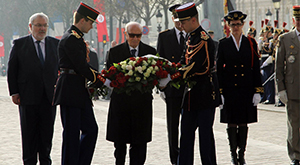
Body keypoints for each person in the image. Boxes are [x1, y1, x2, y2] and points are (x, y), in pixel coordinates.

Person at [52, 2, 109, 165]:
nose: (92, 27)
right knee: (71, 134)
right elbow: (81, 66)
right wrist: (100, 80)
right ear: (82, 20)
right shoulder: (71, 38)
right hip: (70, 90)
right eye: (90, 23)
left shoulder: (76, 38)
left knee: (91, 129)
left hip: (78, 89)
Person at [7, 12, 59, 165]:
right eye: (38, 25)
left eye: (44, 25)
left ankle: (45, 161)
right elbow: (12, 70)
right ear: (30, 27)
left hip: (49, 98)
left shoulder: (55, 44)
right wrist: (14, 92)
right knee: (29, 137)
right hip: (27, 97)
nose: (42, 29)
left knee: (46, 135)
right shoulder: (19, 44)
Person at [174, 2, 220, 164]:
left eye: (184, 22)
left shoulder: (204, 39)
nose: (181, 25)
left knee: (205, 137)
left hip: (204, 94)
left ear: (193, 20)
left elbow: (201, 66)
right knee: (185, 134)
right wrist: (170, 69)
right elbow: (183, 59)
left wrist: (176, 75)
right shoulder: (190, 36)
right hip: (190, 95)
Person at [105, 21, 156, 165]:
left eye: (138, 35)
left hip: (142, 104)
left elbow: (155, 77)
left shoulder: (150, 52)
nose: (135, 39)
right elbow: (110, 75)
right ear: (125, 34)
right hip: (121, 103)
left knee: (140, 143)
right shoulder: (114, 52)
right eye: (132, 35)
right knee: (120, 143)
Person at [217, 10, 263, 165]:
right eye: (232, 25)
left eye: (238, 24)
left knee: (243, 122)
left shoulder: (251, 42)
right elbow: (219, 70)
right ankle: (232, 154)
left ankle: (241, 153)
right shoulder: (223, 43)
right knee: (231, 122)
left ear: (243, 25)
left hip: (245, 89)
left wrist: (258, 90)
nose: (235, 27)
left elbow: (256, 68)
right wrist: (220, 92)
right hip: (230, 90)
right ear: (228, 26)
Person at [156, 4, 185, 165]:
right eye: (177, 18)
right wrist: (161, 84)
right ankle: (174, 157)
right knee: (173, 126)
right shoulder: (164, 36)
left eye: (182, 18)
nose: (179, 22)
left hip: (189, 87)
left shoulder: (192, 36)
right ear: (173, 19)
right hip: (172, 88)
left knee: (187, 126)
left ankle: (185, 155)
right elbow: (159, 62)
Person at [275, 5, 300, 165]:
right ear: (293, 20)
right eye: (297, 19)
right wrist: (281, 89)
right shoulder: (285, 39)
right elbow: (278, 67)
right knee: (293, 125)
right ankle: (296, 156)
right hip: (292, 90)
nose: (299, 22)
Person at [260, 19, 275, 104]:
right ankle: (266, 96)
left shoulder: (271, 40)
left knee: (269, 82)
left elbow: (270, 51)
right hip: (264, 62)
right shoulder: (266, 40)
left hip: (269, 63)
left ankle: (270, 97)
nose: (264, 34)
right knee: (265, 82)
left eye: (266, 32)